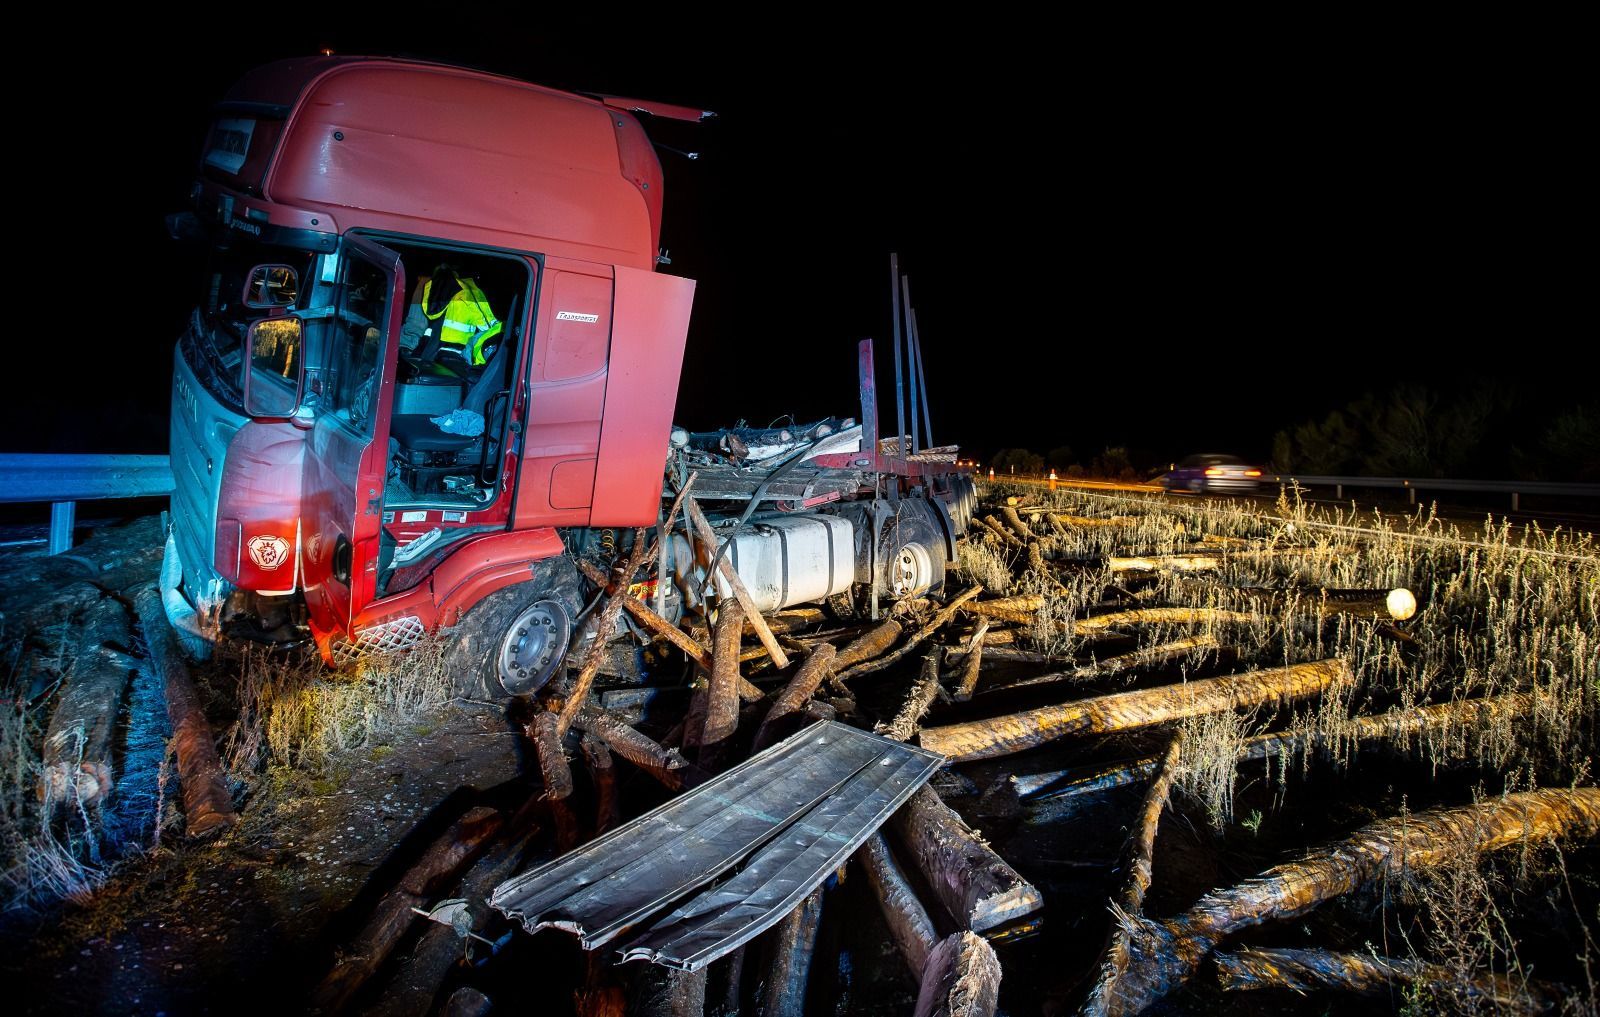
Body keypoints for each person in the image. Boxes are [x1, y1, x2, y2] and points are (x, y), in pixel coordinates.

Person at [403, 264, 502, 367]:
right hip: (454, 360)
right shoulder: (469, 290)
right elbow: (489, 326)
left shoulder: (426, 286)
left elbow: (413, 324)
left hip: (423, 355)